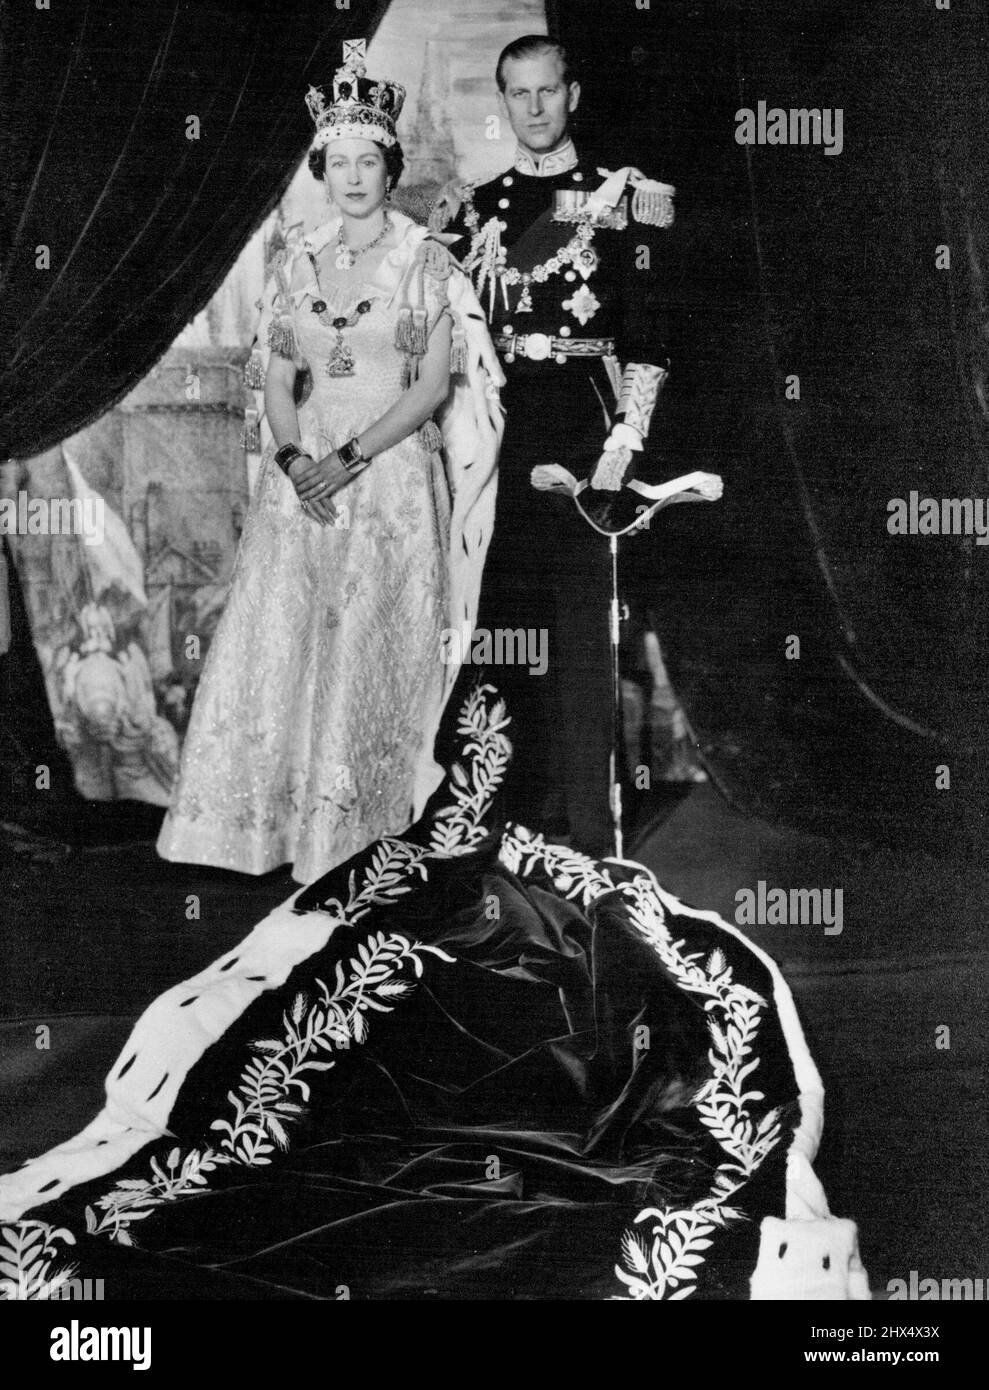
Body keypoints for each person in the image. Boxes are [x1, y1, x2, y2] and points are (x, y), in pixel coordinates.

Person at [156, 40, 503, 885]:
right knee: (283, 644)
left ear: (390, 167)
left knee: (365, 655)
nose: (352, 176)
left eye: (368, 160)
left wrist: (346, 457)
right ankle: (261, 831)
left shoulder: (423, 262)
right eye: (337, 161)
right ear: (322, 167)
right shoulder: (296, 260)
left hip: (383, 477)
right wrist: (289, 455)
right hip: (301, 479)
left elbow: (426, 388)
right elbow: (276, 379)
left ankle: (354, 836)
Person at [431, 35, 684, 857]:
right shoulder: (476, 208)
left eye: (547, 92)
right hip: (498, 429)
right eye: (518, 94)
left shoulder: (623, 200)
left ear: (571, 94)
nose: (534, 108)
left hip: (582, 424)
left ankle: (586, 835)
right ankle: (500, 826)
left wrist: (625, 442)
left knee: (580, 639)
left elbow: (648, 337)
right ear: (502, 101)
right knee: (497, 629)